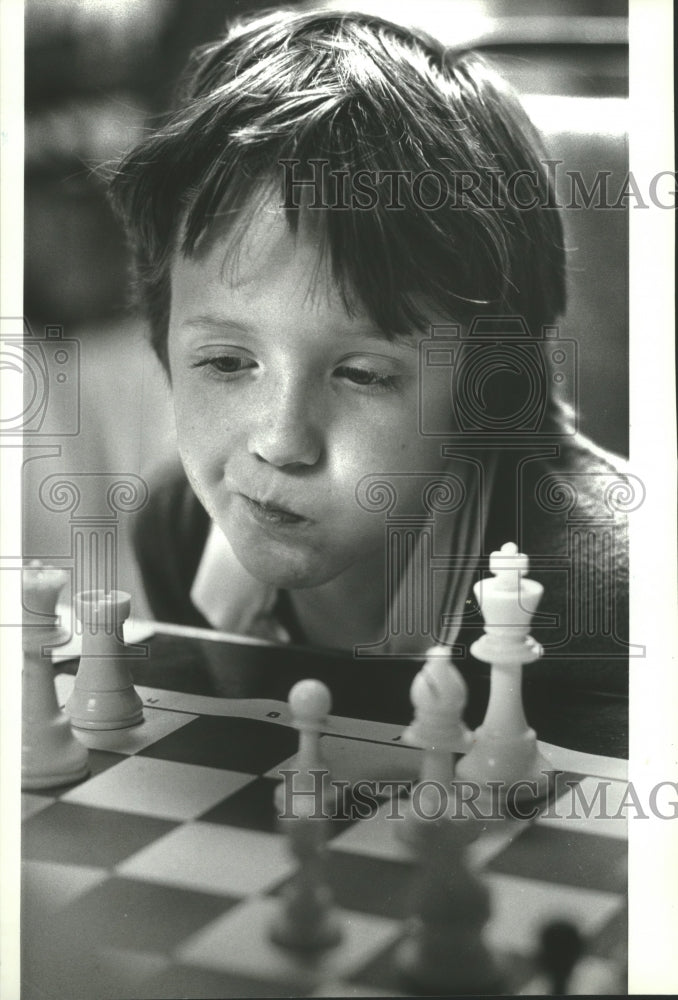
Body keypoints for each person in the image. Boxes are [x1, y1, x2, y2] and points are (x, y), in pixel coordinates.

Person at [108, 7, 631, 691]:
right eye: (227, 362)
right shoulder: (178, 528)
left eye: (360, 373)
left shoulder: (610, 600)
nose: (282, 441)